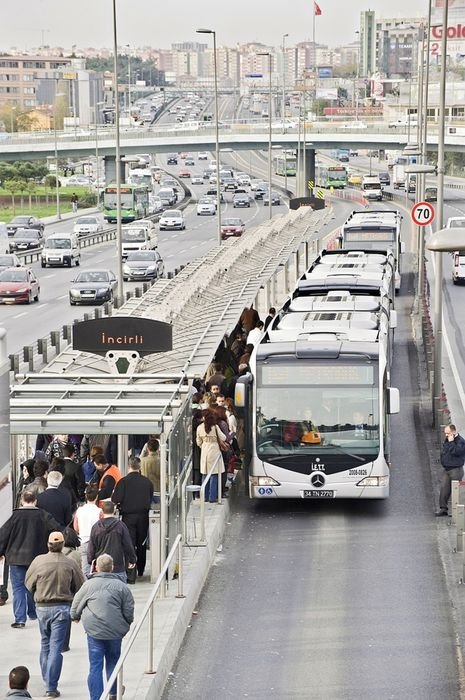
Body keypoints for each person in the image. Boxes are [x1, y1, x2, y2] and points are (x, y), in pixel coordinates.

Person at [25, 531, 85, 699]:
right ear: (63, 544)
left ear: (48, 544)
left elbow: (28, 583)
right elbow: (80, 585)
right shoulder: (70, 562)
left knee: (45, 644)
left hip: (42, 607)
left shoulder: (38, 561)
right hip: (62, 608)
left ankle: (47, 680)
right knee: (56, 647)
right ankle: (51, 687)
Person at [70, 553, 134, 700]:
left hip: (94, 632)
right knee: (113, 662)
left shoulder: (88, 585)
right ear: (112, 568)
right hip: (115, 632)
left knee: (95, 666)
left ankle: (96, 697)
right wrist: (124, 624)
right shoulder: (122, 587)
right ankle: (113, 692)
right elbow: (129, 611)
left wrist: (76, 617)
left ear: (97, 567)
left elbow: (74, 609)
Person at [0, 488, 61, 629]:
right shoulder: (44, 515)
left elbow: (3, 536)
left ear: (22, 500)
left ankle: (20, 619)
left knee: (18, 588)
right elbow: (56, 530)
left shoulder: (12, 516)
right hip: (37, 558)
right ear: (35, 501)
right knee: (34, 586)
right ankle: (33, 613)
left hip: (16, 558)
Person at [112, 457, 153, 578]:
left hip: (128, 516)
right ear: (139, 467)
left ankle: (131, 570)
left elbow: (116, 499)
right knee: (141, 543)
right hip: (143, 516)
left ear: (128, 466)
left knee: (129, 544)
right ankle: (141, 569)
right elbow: (150, 497)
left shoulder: (123, 482)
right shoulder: (147, 482)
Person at [87, 502, 136, 582]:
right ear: (114, 510)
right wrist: (132, 559)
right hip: (117, 566)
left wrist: (90, 560)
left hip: (100, 566)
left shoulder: (96, 527)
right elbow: (128, 545)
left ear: (102, 511)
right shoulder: (121, 526)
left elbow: (91, 547)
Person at [196, 409, 227, 503]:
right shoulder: (215, 427)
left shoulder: (200, 427)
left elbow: (198, 442)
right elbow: (224, 438)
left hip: (205, 451)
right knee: (214, 475)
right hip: (214, 451)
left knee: (205, 475)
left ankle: (204, 496)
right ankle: (212, 497)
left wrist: (203, 445)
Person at [73, 484, 103, 577]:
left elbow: (76, 527)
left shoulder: (79, 510)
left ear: (86, 496)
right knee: (98, 569)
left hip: (83, 541)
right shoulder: (99, 511)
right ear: (97, 497)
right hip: (97, 543)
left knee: (85, 571)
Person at [436, 424, 465, 516]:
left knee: (456, 490)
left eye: (448, 433)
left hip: (456, 469)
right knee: (444, 488)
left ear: (453, 432)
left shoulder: (460, 441)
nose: (446, 435)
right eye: (445, 433)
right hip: (447, 468)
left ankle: (456, 511)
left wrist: (452, 442)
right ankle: (443, 508)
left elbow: (457, 452)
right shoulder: (448, 439)